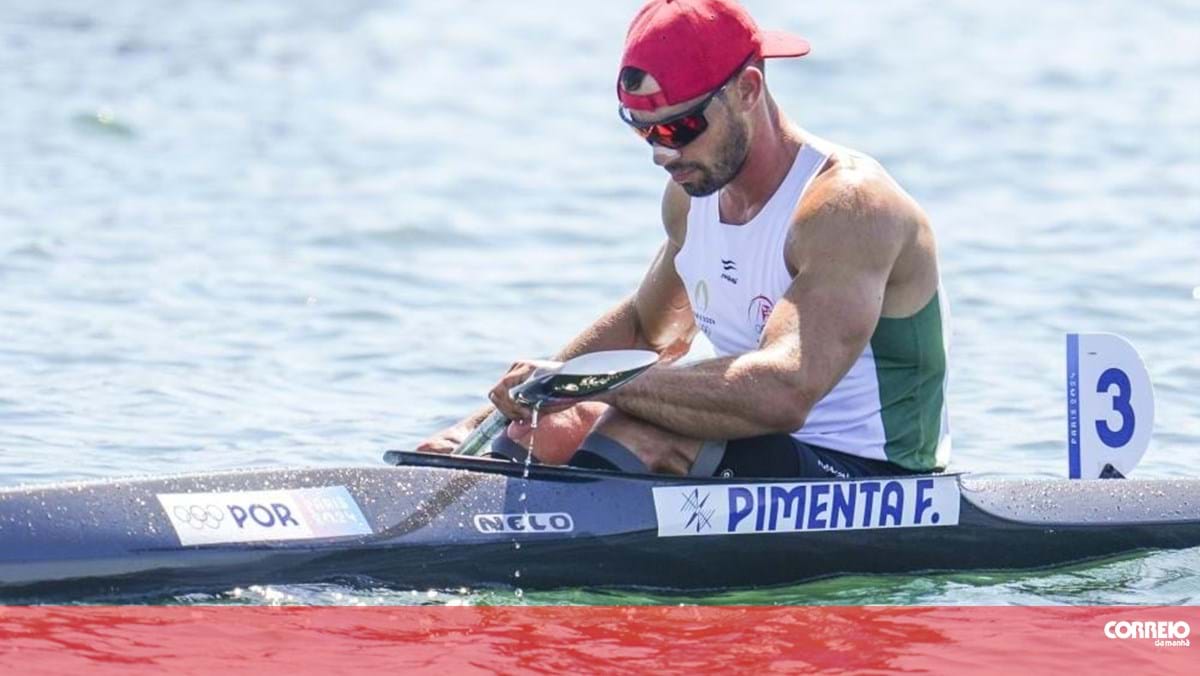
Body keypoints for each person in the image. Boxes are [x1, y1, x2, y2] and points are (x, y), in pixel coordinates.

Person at [417, 0, 950, 479]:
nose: (661, 155)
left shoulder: (848, 208)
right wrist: (482, 425)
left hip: (867, 476)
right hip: (755, 445)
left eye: (678, 129)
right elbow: (646, 330)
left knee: (636, 429)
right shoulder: (692, 195)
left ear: (748, 89)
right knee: (544, 425)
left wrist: (588, 383)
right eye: (643, 130)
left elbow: (786, 392)